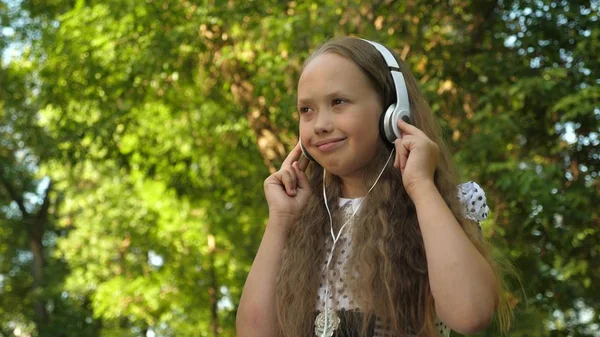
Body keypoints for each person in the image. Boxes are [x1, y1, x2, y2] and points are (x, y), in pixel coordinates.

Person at [237, 36, 513, 337]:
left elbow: (470, 314)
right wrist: (280, 220)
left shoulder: (439, 205)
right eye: (306, 110)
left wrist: (421, 186)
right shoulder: (301, 217)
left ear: (393, 112)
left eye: (338, 102)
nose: (319, 125)